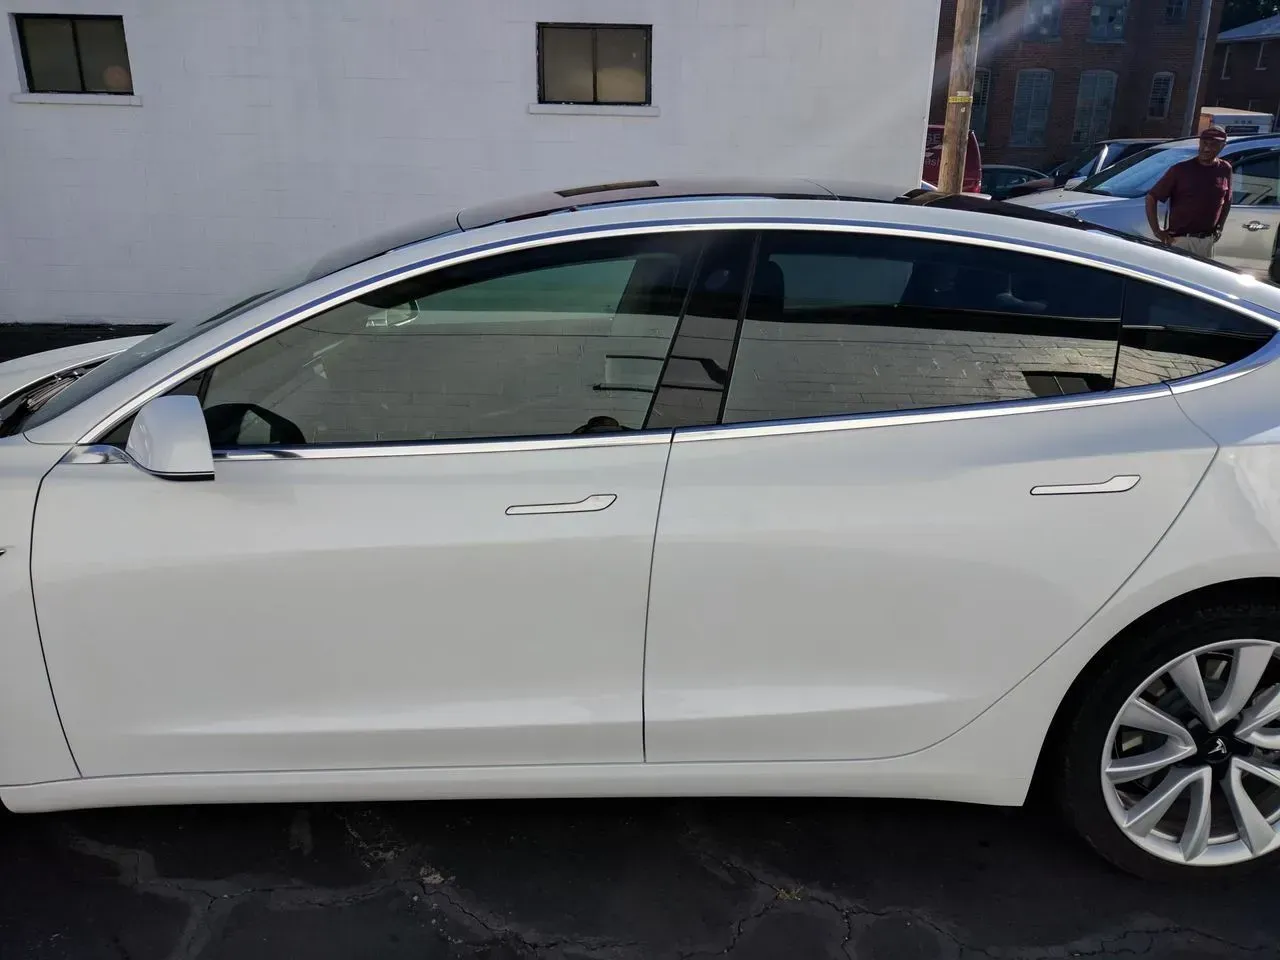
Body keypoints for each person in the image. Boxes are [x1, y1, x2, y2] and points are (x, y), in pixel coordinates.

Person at [1145, 125, 1233, 258]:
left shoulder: (1225, 168)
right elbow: (1151, 198)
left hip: (1207, 241)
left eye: (1213, 144)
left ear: (1222, 146)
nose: (1207, 148)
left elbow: (1227, 200)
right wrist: (1157, 231)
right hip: (1180, 240)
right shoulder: (1180, 170)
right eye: (1204, 143)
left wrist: (1220, 226)